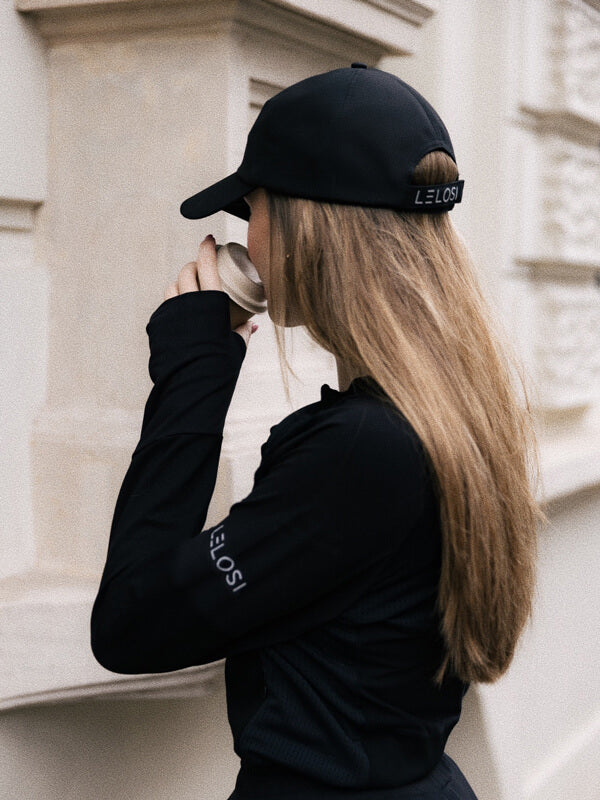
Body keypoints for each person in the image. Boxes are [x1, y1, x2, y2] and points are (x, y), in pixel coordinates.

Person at [90, 64, 548, 799]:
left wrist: (193, 377)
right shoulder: (455, 410)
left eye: (253, 209)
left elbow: (130, 623)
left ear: (306, 228)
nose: (246, 237)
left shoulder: (363, 449)